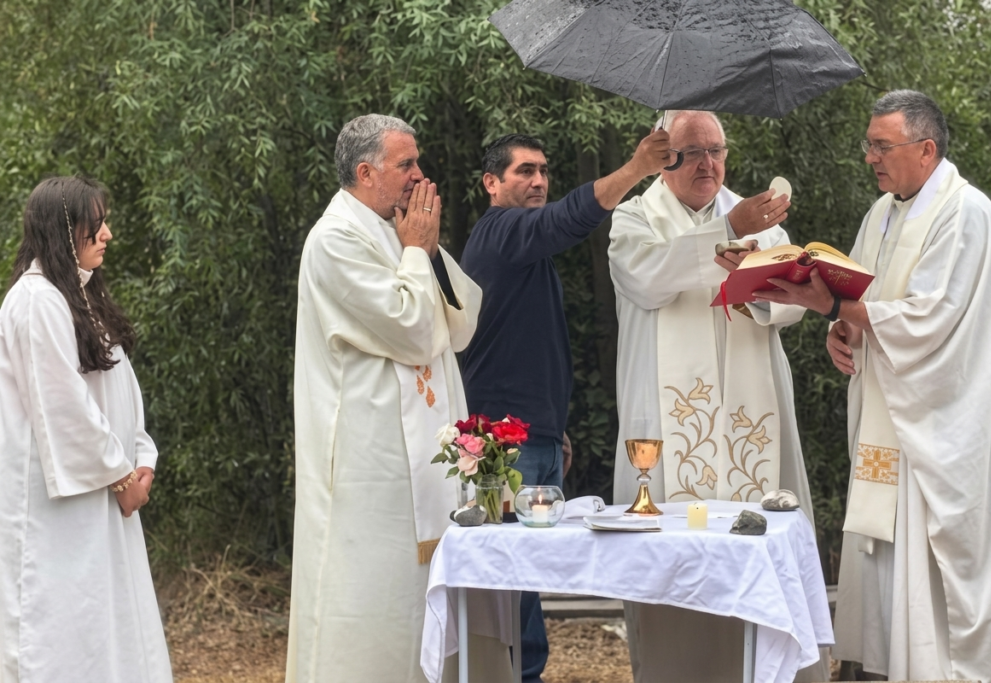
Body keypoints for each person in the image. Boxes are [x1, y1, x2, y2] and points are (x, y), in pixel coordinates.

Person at [755, 90, 991, 682]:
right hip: (889, 414)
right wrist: (840, 330)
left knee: (930, 564)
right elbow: (865, 303)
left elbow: (931, 319)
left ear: (925, 149)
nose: (871, 157)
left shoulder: (966, 211)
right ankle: (877, 667)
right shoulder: (881, 213)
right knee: (881, 555)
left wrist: (837, 308)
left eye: (883, 145)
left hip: (941, 424)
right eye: (869, 145)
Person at [287, 114, 511, 683]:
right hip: (373, 464)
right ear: (366, 172)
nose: (420, 176)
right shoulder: (334, 240)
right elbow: (412, 330)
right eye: (406, 164)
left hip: (425, 457)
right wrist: (417, 249)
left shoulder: (399, 229)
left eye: (417, 161)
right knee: (378, 605)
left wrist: (428, 252)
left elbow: (461, 326)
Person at [607, 110, 826, 682]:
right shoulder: (634, 216)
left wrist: (753, 284)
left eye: (717, 150)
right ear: (664, 156)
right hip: (667, 422)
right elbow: (647, 280)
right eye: (692, 151)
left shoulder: (760, 222)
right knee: (672, 576)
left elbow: (791, 302)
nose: (708, 163)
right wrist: (723, 236)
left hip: (751, 417)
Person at [459, 128, 672, 682]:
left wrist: (554, 431)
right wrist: (636, 168)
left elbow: (524, 348)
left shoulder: (525, 251)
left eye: (543, 171)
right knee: (512, 585)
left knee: (526, 580)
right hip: (503, 444)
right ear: (491, 184)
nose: (538, 181)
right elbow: (565, 219)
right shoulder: (500, 232)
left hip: (534, 437)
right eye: (523, 171)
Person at [0, 176, 173, 682]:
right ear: (62, 230)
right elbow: (65, 406)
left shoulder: (79, 297)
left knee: (104, 627)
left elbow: (123, 394)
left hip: (105, 493)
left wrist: (143, 459)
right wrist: (122, 480)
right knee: (63, 630)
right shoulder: (36, 301)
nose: (108, 235)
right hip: (63, 510)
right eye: (96, 224)